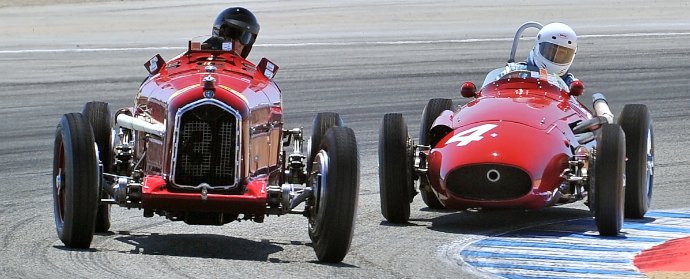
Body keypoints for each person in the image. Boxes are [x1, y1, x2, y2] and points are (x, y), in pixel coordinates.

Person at [526, 22, 578, 87]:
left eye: (561, 53)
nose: (555, 56)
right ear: (538, 46)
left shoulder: (570, 84)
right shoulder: (517, 71)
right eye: (550, 50)